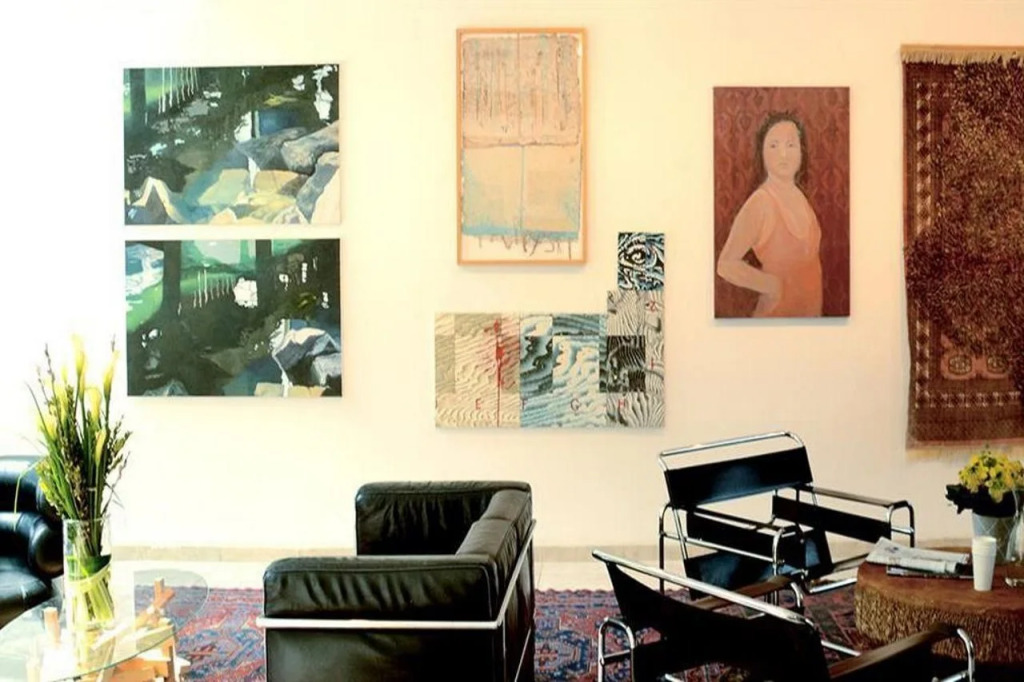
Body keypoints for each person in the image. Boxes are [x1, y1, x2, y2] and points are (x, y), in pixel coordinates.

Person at [717, 112, 823, 317]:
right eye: (773, 146)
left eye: (791, 145)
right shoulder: (761, 202)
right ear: (762, 153)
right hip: (775, 319)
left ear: (801, 151)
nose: (783, 154)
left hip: (810, 321)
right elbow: (726, 265)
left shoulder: (800, 196)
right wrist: (772, 285)